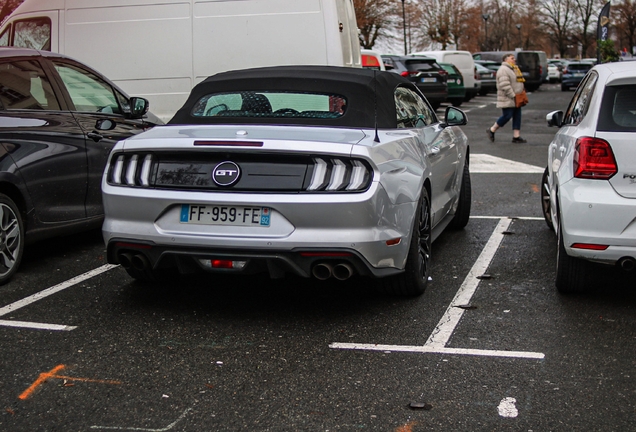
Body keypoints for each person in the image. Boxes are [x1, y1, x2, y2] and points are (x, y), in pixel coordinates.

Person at [486, 54, 527, 143]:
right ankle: (492, 129)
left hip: (517, 97)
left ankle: (516, 136)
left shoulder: (513, 68)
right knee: (507, 116)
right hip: (508, 97)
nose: (514, 60)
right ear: (506, 59)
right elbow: (504, 85)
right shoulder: (503, 70)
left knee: (517, 116)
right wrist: (513, 95)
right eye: (512, 58)